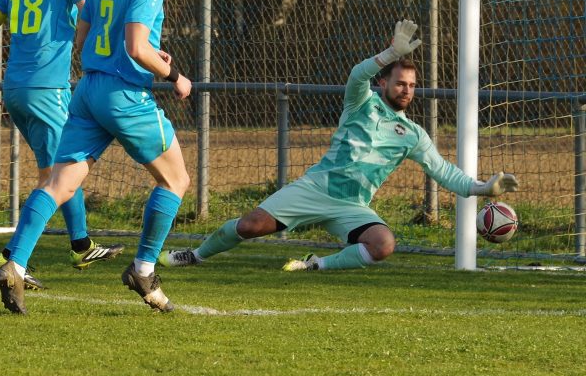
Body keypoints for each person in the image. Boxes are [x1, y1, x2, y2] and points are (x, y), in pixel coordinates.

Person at [159, 19, 519, 272]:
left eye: (412, 85)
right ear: (383, 83)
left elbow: (444, 172)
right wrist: (389, 53)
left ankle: (317, 265)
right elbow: (357, 74)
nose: (407, 90)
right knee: (251, 225)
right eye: (400, 83)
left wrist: (483, 188)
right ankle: (195, 255)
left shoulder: (413, 135)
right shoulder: (361, 101)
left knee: (383, 244)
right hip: (316, 188)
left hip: (352, 206)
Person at [0, 0, 192, 314]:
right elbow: (137, 47)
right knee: (175, 180)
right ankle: (143, 269)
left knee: (58, 184)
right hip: (125, 95)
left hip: (87, 91)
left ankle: (15, 263)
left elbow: (82, 40)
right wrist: (175, 75)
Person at [0, 0, 124, 291]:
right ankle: (11, 258)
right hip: (48, 90)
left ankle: (81, 246)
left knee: (57, 172)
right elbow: (95, 15)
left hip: (15, 90)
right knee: (62, 174)